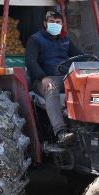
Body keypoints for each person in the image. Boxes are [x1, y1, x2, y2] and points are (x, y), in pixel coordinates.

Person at [25, 10, 83, 144]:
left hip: (64, 78)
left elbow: (79, 56)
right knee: (51, 88)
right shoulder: (35, 40)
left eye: (58, 22)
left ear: (62, 24)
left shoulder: (65, 40)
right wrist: (43, 77)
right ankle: (61, 132)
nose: (55, 24)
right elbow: (31, 62)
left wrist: (96, 63)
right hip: (42, 79)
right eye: (52, 22)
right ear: (45, 23)